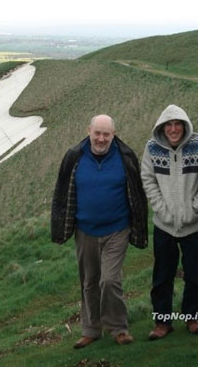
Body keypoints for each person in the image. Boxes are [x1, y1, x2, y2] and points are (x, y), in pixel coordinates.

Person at [51, 114, 148, 349]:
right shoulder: (74, 156)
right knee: (89, 282)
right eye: (97, 133)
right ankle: (91, 330)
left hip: (117, 229)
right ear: (89, 131)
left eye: (106, 134)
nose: (101, 139)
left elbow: (137, 193)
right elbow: (62, 193)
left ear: (114, 134)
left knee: (110, 280)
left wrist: (139, 227)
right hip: (85, 231)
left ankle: (118, 328)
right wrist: (60, 225)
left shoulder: (125, 157)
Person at [141, 104, 198, 340]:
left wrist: (196, 208)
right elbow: (148, 179)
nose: (173, 129)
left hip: (194, 224)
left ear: (184, 125)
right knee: (162, 275)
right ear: (162, 126)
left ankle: (191, 316)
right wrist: (161, 210)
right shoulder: (152, 148)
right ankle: (162, 322)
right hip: (164, 225)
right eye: (169, 125)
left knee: (195, 273)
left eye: (177, 124)